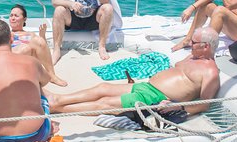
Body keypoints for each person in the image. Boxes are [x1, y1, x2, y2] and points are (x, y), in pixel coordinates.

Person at [47, 27, 220, 115]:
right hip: (146, 86)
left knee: (105, 103)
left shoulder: (210, 73)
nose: (189, 44)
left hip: (155, 98)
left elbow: (204, 104)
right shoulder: (192, 57)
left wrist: (178, 107)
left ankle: (59, 109)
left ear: (205, 46)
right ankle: (59, 99)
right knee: (103, 88)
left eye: (194, 43)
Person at [0, 19, 58, 142]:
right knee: (38, 87)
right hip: (37, 134)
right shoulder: (31, 62)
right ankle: (48, 129)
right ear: (11, 38)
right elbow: (45, 80)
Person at [9, 4, 68, 87]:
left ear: (24, 19)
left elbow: (43, 51)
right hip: (11, 59)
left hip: (26, 61)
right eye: (11, 15)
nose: (12, 18)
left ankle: (52, 76)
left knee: (38, 41)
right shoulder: (6, 33)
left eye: (16, 16)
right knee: (28, 48)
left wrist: (42, 36)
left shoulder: (31, 35)